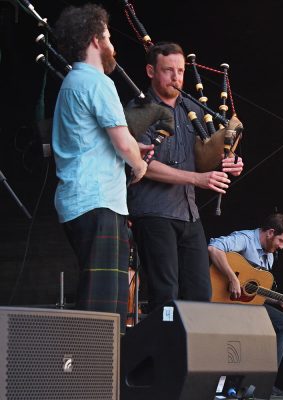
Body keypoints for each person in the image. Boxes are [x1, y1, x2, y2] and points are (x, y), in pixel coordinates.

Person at [52, 4, 152, 333]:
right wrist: (138, 166)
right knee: (105, 306)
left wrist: (132, 149)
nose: (113, 44)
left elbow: (93, 140)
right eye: (109, 36)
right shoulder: (98, 82)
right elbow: (122, 144)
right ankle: (92, 377)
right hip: (98, 200)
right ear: (96, 40)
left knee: (99, 298)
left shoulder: (72, 82)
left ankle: (90, 373)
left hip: (80, 200)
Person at [127, 42, 243, 313]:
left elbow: (207, 151)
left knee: (201, 293)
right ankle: (163, 354)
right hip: (153, 211)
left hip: (188, 214)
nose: (176, 77)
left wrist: (232, 160)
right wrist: (196, 179)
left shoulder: (192, 107)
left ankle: (191, 355)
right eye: (168, 70)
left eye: (180, 70)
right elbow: (143, 164)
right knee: (166, 293)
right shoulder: (138, 109)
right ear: (150, 71)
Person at [207, 213, 283, 367]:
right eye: (281, 240)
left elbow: (253, 292)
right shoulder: (245, 239)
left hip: (245, 306)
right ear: (270, 233)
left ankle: (265, 377)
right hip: (223, 302)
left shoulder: (269, 256)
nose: (281, 246)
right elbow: (214, 248)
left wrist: (278, 300)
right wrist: (232, 278)